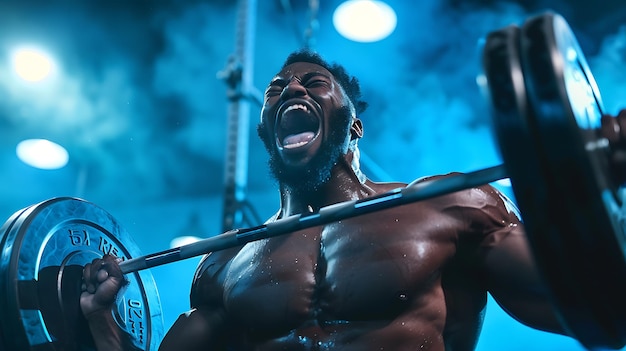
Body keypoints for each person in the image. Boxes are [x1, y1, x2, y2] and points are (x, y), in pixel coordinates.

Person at [80, 50, 622, 351]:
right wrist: (100, 318)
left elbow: (600, 310)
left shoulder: (449, 206)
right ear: (268, 134)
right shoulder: (226, 264)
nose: (291, 90)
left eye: (314, 83)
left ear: (354, 124)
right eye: (276, 91)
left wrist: (597, 190)